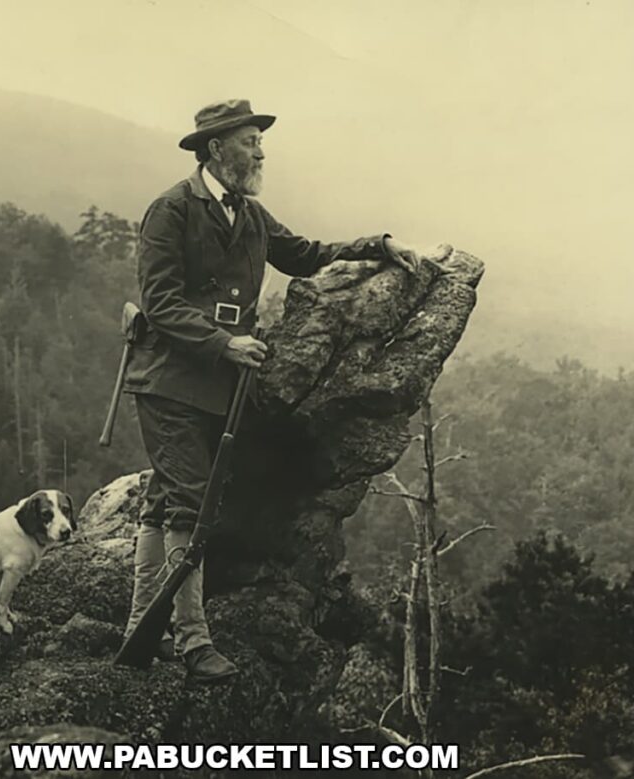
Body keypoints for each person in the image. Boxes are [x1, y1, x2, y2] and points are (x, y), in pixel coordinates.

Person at [121, 99, 447, 683]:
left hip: (218, 390)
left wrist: (374, 245)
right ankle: (193, 642)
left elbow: (301, 255)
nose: (261, 151)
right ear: (216, 148)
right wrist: (224, 343)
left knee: (165, 504)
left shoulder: (249, 213)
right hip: (169, 382)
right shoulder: (171, 211)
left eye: (259, 141)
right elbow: (161, 301)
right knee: (191, 508)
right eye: (250, 141)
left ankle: (140, 631)